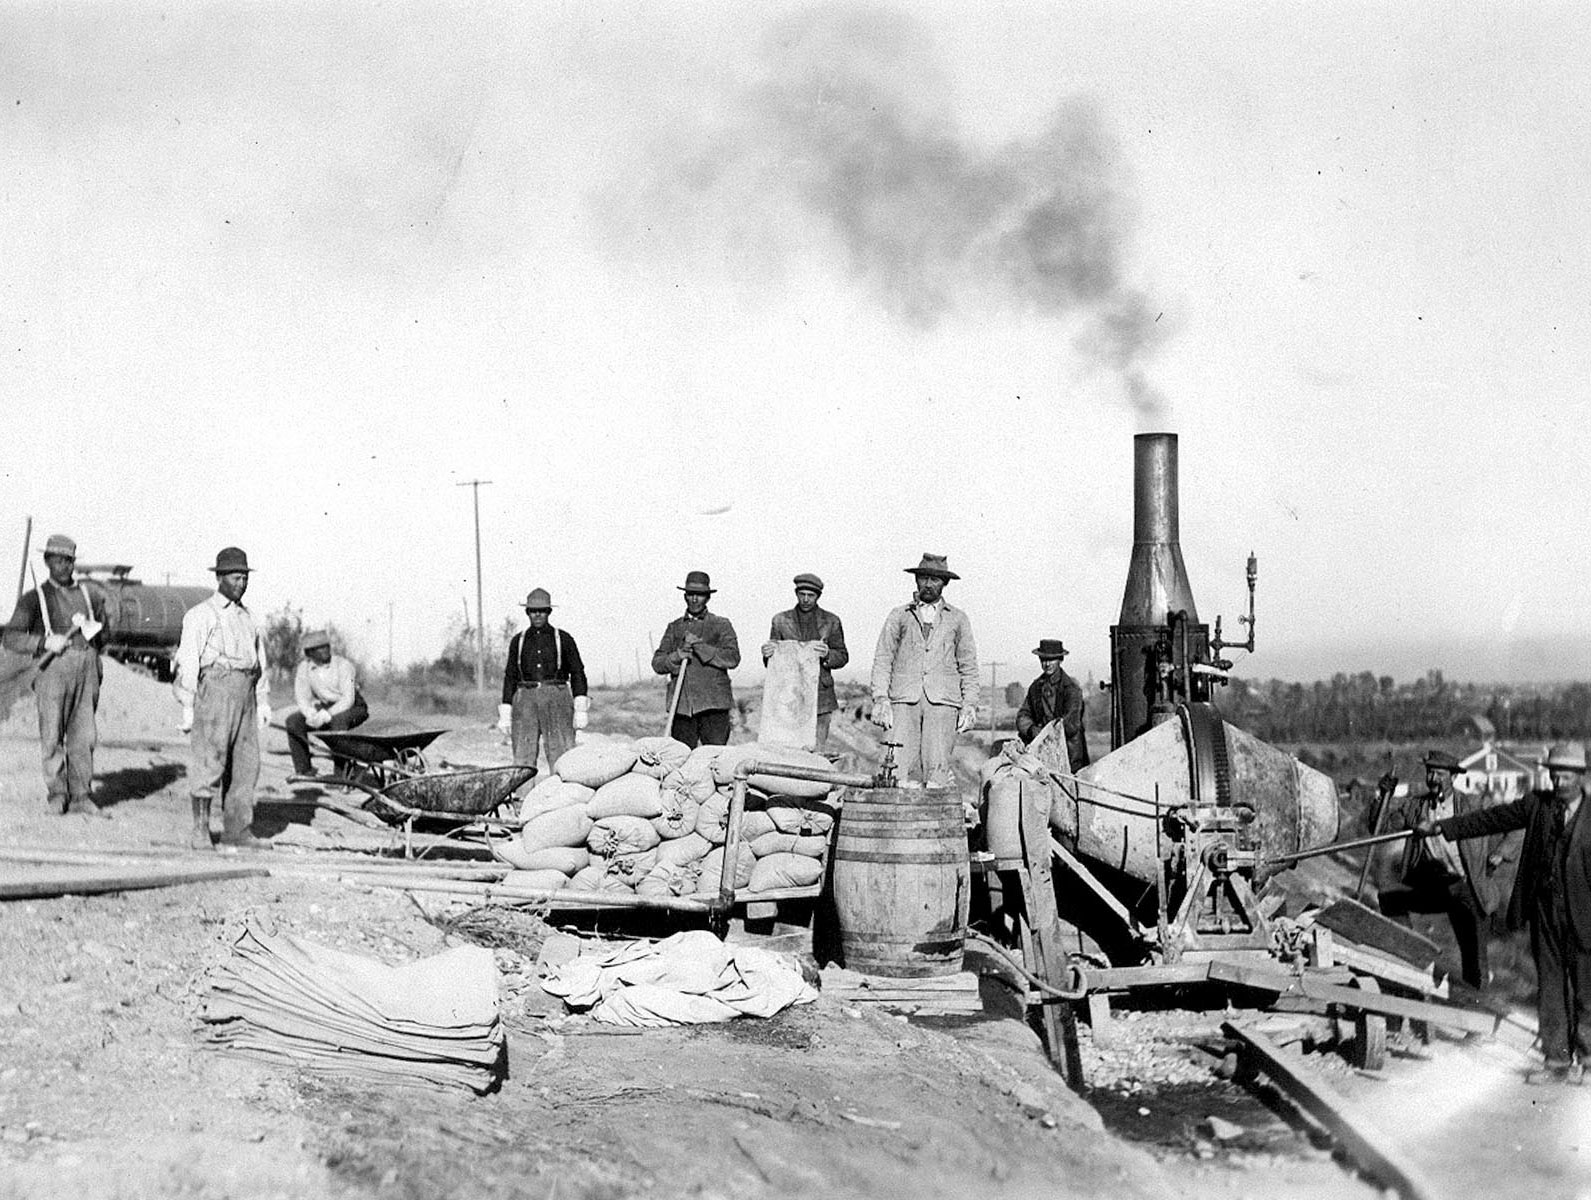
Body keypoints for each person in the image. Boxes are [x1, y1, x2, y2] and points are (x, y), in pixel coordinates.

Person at [1418, 743, 1591, 1084]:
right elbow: (1493, 818)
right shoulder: (1538, 805)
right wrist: (1445, 828)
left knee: (1586, 990)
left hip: (1585, 916)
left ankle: (1586, 1059)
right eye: (1555, 775)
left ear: (1581, 778)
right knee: (1551, 988)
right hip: (1545, 914)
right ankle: (1555, 1060)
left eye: (1566, 776)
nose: (1559, 782)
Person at [1377, 750, 1513, 990]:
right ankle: (1409, 957)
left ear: (1452, 777)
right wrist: (1383, 797)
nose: (1433, 779)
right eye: (1430, 773)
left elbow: (1515, 824)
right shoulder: (1416, 807)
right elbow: (1381, 827)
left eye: (1439, 774)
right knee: (1391, 900)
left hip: (1469, 887)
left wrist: (1501, 852)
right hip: (1438, 887)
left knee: (1474, 958)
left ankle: (1477, 1012)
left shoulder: (1473, 804)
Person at [173, 547, 272, 851]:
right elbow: (189, 661)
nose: (241, 583)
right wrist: (188, 705)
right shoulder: (201, 615)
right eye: (234, 577)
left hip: (245, 690)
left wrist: (263, 700)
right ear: (219, 578)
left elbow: (260, 662)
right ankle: (201, 830)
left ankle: (238, 829)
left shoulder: (249, 618)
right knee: (209, 760)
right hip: (215, 688)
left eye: (244, 577)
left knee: (246, 764)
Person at [2, 533, 107, 815]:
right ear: (47, 561)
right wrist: (43, 642)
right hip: (52, 670)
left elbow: (103, 633)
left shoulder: (90, 595)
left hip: (86, 667)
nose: (65, 566)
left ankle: (81, 796)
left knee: (84, 736)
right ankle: (57, 795)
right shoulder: (33, 599)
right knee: (51, 735)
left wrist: (93, 657)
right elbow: (10, 638)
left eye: (69, 560)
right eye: (59, 560)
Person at [869, 553, 979, 786]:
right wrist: (880, 698)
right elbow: (883, 657)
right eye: (923, 578)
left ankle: (932, 817)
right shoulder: (899, 615)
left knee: (937, 772)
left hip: (943, 702)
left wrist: (969, 705)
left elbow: (968, 665)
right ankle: (892, 817)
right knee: (894, 767)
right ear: (916, 580)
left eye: (935, 580)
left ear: (945, 584)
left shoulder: (958, 619)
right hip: (903, 699)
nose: (928, 584)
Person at [497, 588, 588, 773]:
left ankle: (562, 798)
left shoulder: (563, 638)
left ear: (549, 612)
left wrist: (580, 707)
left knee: (562, 752)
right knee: (523, 755)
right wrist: (505, 710)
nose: (537, 614)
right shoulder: (518, 641)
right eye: (533, 610)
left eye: (542, 610)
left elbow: (578, 672)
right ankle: (521, 799)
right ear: (527, 612)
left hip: (557, 698)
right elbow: (510, 676)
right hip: (525, 700)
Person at [761, 572, 849, 752]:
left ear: (818, 596)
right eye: (802, 594)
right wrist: (767, 653)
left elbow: (843, 656)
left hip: (821, 698)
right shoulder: (780, 620)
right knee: (787, 751)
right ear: (796, 593)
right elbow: (774, 660)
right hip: (789, 697)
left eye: (811, 595)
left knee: (815, 752)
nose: (806, 599)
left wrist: (827, 654)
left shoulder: (831, 621)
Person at [651, 571, 740, 749]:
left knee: (714, 758)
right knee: (680, 757)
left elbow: (732, 658)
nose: (694, 599)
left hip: (713, 706)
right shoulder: (674, 627)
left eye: (699, 595)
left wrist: (700, 647)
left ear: (707, 597)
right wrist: (677, 655)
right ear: (685, 596)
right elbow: (658, 663)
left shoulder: (721, 625)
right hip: (682, 707)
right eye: (690, 594)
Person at [284, 629, 368, 777]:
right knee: (293, 722)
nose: (325, 650)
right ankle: (304, 769)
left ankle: (341, 773)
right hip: (327, 706)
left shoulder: (343, 665)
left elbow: (348, 699)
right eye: (320, 648)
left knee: (337, 724)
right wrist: (310, 714)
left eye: (326, 646)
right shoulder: (304, 668)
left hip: (353, 706)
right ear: (309, 653)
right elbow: (302, 698)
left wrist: (327, 715)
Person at [1015, 638, 1090, 769]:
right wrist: (1032, 730)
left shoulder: (1071, 689)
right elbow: (1023, 715)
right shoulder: (1036, 687)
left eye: (1052, 659)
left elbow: (1071, 725)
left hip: (1069, 757)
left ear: (1060, 660)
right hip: (1041, 755)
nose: (1047, 664)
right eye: (1043, 660)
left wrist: (1044, 733)